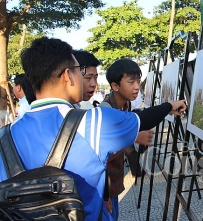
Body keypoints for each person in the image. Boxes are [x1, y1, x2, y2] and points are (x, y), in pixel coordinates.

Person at [0, 37, 186, 221]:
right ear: (67, 76)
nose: (86, 80)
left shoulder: (4, 135)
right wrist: (171, 105)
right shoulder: (92, 121)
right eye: (80, 72)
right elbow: (143, 119)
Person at [99, 59, 151, 220]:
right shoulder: (105, 111)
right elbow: (101, 155)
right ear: (115, 86)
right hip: (103, 187)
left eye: (138, 81)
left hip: (113, 183)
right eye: (131, 82)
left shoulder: (125, 105)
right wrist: (134, 138)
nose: (137, 86)